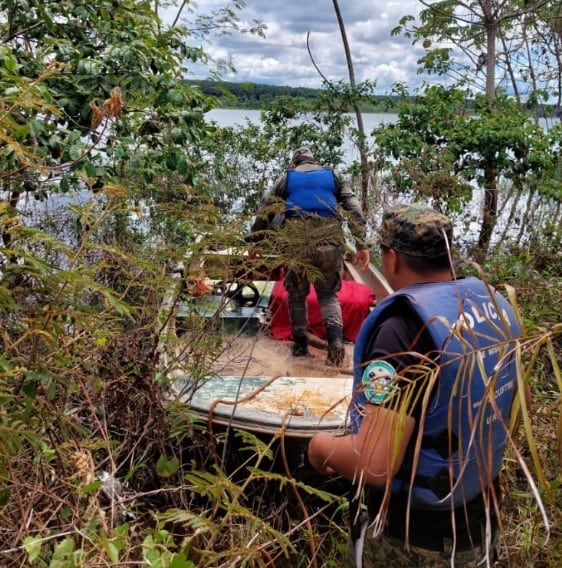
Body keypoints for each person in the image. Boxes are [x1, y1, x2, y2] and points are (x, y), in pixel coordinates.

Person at [307, 203, 529, 566]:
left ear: (391, 259)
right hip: (481, 524)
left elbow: (375, 464)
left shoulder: (404, 329)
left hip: (414, 538)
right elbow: (511, 407)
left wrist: (319, 448)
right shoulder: (494, 305)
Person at [248, 146, 369, 366]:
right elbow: (354, 208)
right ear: (315, 162)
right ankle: (336, 345)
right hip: (329, 243)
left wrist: (255, 241)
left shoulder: (287, 178)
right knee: (328, 295)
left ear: (294, 164)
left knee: (297, 295)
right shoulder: (334, 176)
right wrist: (361, 244)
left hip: (297, 245)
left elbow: (266, 209)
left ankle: (301, 347)